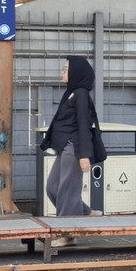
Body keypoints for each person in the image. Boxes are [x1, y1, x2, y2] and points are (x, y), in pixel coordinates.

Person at [40, 55, 103, 247]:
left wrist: (83, 155)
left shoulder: (81, 94)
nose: (62, 72)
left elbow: (84, 125)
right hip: (64, 147)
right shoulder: (71, 92)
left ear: (76, 72)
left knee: (67, 191)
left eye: (66, 69)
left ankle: (68, 234)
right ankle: (86, 213)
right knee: (52, 187)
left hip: (75, 147)